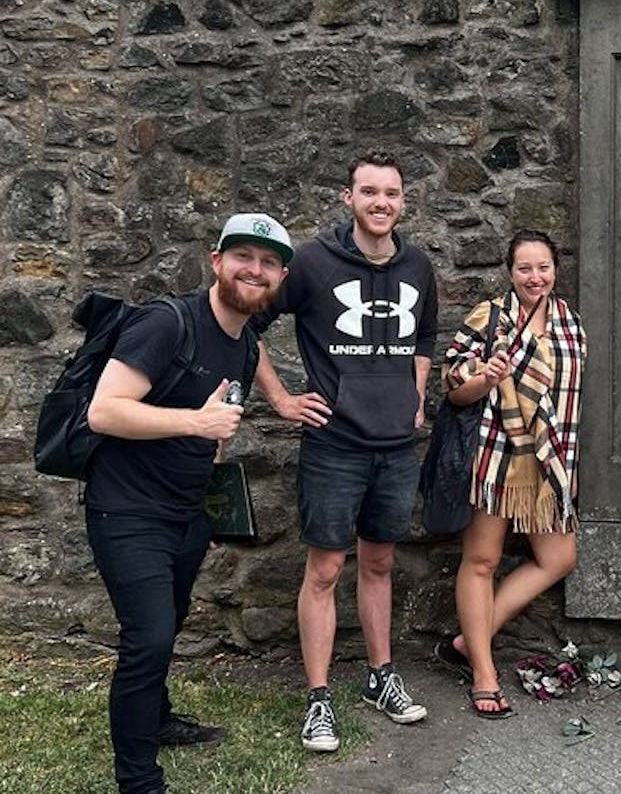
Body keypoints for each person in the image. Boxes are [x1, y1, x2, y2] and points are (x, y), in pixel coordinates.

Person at [86, 213, 292, 794]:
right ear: (216, 259)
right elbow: (104, 411)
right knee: (147, 636)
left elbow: (216, 429)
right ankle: (138, 778)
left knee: (168, 622)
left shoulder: (246, 344)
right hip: (126, 509)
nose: (255, 270)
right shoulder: (166, 323)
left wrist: (212, 455)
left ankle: (156, 718)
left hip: (187, 511)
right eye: (244, 257)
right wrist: (195, 421)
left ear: (279, 277)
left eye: (269, 262)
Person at [250, 149, 437, 752]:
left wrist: (417, 394)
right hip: (335, 443)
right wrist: (280, 398)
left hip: (397, 446)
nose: (380, 202)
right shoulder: (310, 262)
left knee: (379, 563)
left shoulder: (418, 265)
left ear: (403, 201)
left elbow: (425, 334)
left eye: (391, 193)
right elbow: (245, 318)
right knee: (326, 569)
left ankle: (380, 679)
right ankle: (318, 699)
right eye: (369, 192)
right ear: (348, 198)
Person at [432, 230, 587, 718]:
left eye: (543, 267)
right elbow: (452, 388)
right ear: (510, 271)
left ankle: (464, 642)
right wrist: (484, 377)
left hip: (547, 462)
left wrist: (569, 465)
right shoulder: (489, 318)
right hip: (494, 456)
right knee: (482, 560)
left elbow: (571, 404)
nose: (534, 277)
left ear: (554, 269)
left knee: (558, 557)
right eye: (524, 268)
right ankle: (483, 672)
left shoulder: (571, 325)